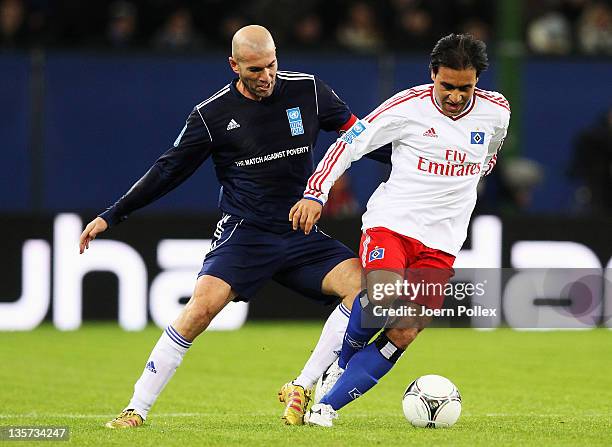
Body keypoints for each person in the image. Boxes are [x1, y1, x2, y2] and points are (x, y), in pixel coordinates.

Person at [79, 24, 389, 428]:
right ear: (234, 65)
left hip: (298, 231)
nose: (266, 77)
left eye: (272, 66)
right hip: (246, 233)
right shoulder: (211, 115)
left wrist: (421, 161)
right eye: (256, 69)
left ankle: (303, 384)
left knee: (366, 294)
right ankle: (136, 408)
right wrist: (112, 214)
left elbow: (360, 137)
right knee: (200, 310)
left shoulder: (309, 91)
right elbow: (168, 170)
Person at [289, 33, 510, 426]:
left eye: (466, 88)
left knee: (404, 331)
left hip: (443, 241)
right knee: (382, 297)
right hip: (393, 223)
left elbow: (489, 155)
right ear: (432, 75)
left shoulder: (497, 112)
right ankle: (339, 365)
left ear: (478, 81)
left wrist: (472, 174)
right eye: (447, 86)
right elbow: (349, 144)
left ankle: (326, 408)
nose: (456, 96)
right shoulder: (408, 106)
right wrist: (315, 192)